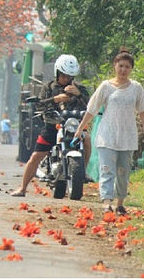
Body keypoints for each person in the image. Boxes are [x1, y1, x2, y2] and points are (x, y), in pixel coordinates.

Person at [73, 49, 144, 215]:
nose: (123, 70)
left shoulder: (136, 88)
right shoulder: (106, 87)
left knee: (123, 171)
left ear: (131, 69)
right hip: (107, 135)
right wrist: (81, 128)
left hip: (127, 135)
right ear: (115, 66)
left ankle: (120, 202)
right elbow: (92, 109)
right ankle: (106, 201)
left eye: (127, 67)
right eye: (121, 66)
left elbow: (143, 112)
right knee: (107, 169)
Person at [12, 54, 90, 197]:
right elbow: (39, 105)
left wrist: (79, 94)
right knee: (35, 156)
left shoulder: (80, 88)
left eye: (70, 76)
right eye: (64, 75)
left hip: (74, 126)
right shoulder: (48, 87)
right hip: (52, 126)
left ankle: (82, 172)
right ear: (57, 73)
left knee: (87, 139)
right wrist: (55, 99)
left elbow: (90, 105)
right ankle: (22, 188)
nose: (67, 79)